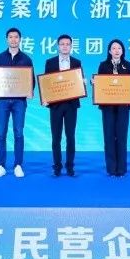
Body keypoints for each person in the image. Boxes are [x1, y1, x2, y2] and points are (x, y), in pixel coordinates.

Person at [0, 27, 34, 178]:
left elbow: (31, 80)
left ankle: (18, 165)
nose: (13, 39)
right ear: (6, 39)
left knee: (19, 133)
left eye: (16, 37)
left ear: (20, 39)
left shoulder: (26, 59)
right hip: (2, 101)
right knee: (1, 133)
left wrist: (29, 91)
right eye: (10, 37)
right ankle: (1, 165)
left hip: (19, 102)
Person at [43, 34, 83, 177]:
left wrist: (82, 84)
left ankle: (70, 166)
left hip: (71, 105)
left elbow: (79, 82)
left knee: (70, 137)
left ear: (71, 46)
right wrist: (46, 98)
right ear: (58, 46)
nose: (65, 46)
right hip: (56, 105)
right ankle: (57, 166)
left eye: (67, 44)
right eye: (62, 44)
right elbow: (46, 83)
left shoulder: (77, 62)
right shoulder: (50, 62)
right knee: (56, 138)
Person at [96, 39, 130, 177]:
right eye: (114, 48)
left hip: (123, 107)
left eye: (119, 48)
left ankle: (121, 169)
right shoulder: (103, 65)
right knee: (109, 136)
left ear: (122, 51)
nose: (117, 50)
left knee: (122, 137)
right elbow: (100, 83)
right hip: (108, 107)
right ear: (109, 51)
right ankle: (111, 168)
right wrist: (95, 83)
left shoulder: (128, 65)